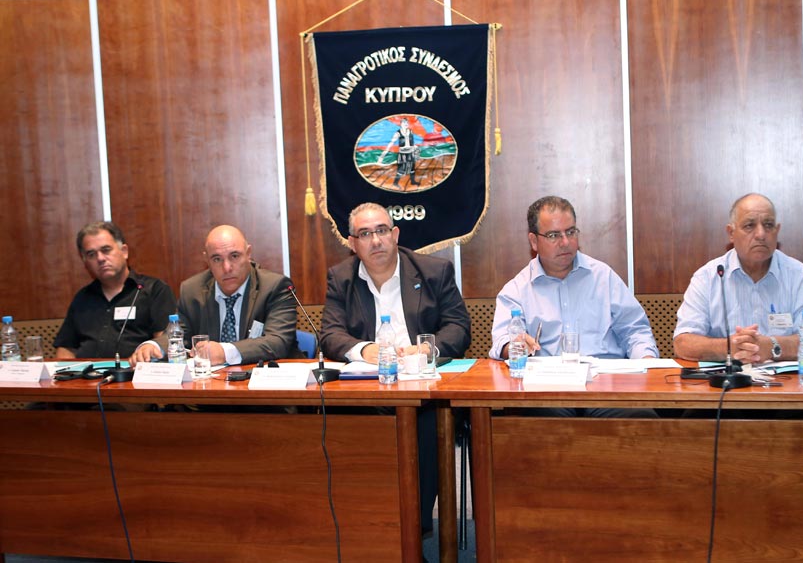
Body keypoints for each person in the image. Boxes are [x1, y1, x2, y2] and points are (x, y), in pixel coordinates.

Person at [319, 202, 470, 537]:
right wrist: (365, 350)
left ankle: (412, 535)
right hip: (365, 392)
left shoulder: (434, 271)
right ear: (352, 243)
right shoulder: (341, 278)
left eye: (382, 231)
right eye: (365, 234)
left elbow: (459, 328)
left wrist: (427, 348)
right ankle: (368, 531)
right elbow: (330, 334)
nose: (376, 241)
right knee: (340, 431)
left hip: (423, 391)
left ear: (396, 234)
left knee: (429, 424)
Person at [490, 196, 658, 418]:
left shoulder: (604, 277)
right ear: (533, 241)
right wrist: (515, 345)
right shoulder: (517, 290)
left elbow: (635, 330)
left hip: (607, 385)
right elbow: (502, 341)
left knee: (640, 419)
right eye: (553, 235)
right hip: (547, 389)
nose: (565, 242)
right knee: (539, 421)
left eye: (570, 232)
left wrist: (647, 363)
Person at [673, 193, 803, 365]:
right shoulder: (707, 278)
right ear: (731, 233)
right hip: (726, 379)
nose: (761, 234)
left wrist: (771, 346)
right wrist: (731, 347)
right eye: (749, 226)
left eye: (768, 225)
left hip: (787, 380)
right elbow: (683, 343)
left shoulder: (802, 278)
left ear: (777, 231)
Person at [130, 225, 298, 365]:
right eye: (217, 259)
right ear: (207, 261)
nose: (227, 268)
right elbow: (178, 335)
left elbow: (277, 341)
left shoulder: (274, 287)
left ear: (248, 253)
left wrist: (224, 352)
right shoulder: (192, 290)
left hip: (264, 387)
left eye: (234, 256)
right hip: (210, 388)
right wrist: (153, 346)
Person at [54, 221, 176, 359]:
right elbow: (65, 348)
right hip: (86, 371)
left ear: (124, 252)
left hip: (135, 370)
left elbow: (165, 342)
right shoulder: (82, 298)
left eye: (106, 250)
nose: (100, 258)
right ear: (85, 262)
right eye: (91, 254)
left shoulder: (154, 290)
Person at [377, 118, 419, 188]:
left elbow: (411, 142)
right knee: (401, 169)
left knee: (412, 168)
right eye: (404, 123)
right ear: (401, 124)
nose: (406, 124)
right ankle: (395, 183)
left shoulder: (410, 131)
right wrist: (383, 155)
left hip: (410, 152)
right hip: (403, 154)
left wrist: (415, 147)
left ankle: (413, 181)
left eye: (407, 123)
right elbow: (391, 143)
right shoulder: (398, 133)